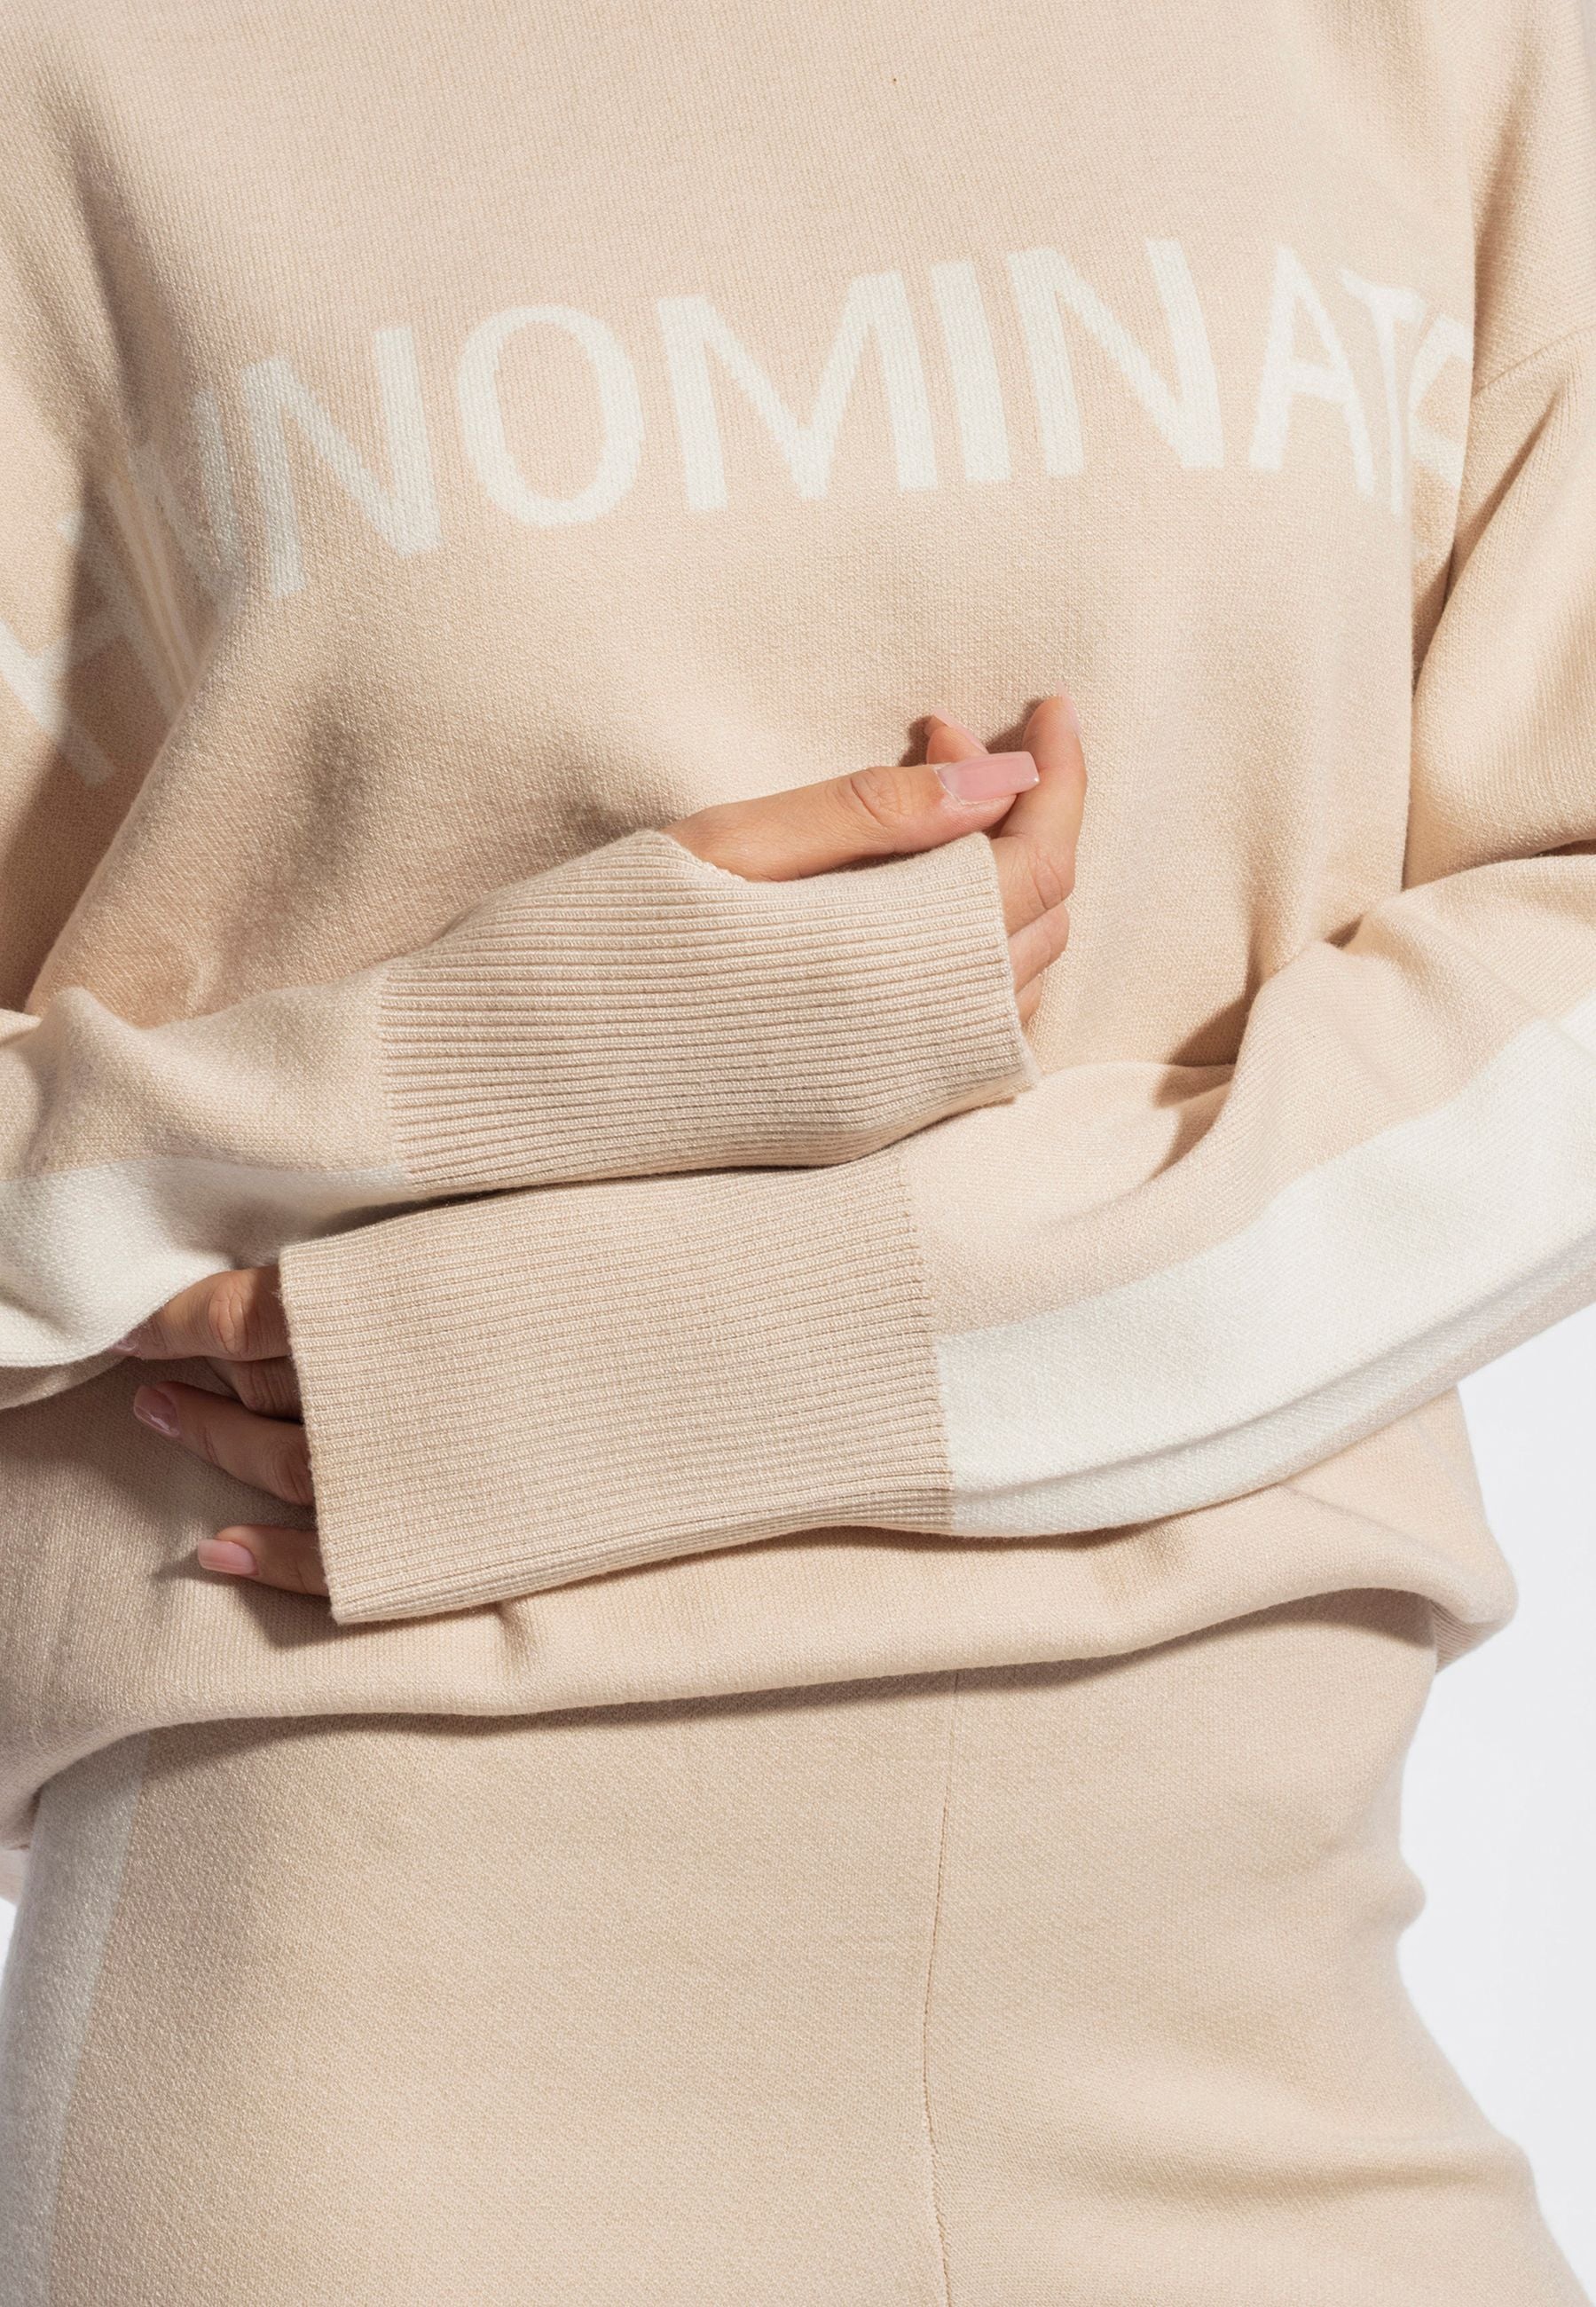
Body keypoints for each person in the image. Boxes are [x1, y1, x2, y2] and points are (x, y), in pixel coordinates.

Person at [1, 0, 1593, 2297]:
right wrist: (492, 1057)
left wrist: (754, 1353)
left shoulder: (1456, 37)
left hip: (1274, 2020)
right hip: (366, 2052)